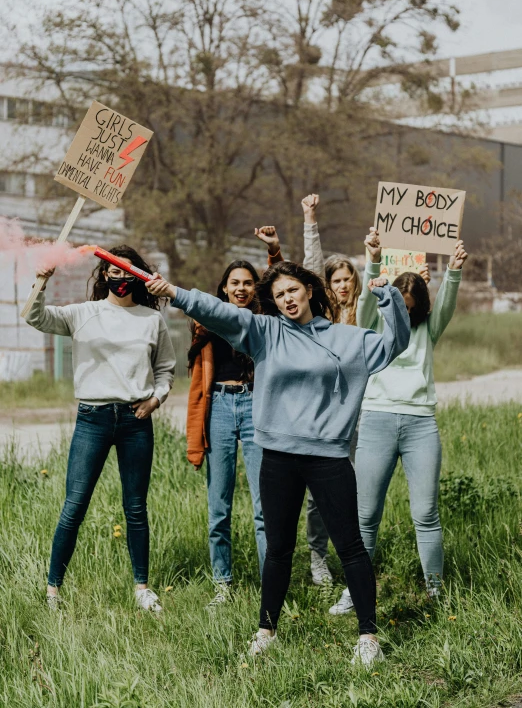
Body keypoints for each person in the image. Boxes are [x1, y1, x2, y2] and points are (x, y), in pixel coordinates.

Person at [146, 260, 410, 666]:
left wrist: (387, 296)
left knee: (351, 548)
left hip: (329, 457)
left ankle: (368, 636)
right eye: (279, 294)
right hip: (279, 457)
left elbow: (396, 343)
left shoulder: (348, 338)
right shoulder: (265, 332)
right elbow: (219, 312)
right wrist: (175, 293)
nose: (287, 299)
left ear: (309, 290)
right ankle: (266, 629)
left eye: (293, 290)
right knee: (279, 550)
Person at [25, 246, 176, 612]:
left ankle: (142, 589)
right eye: (114, 271)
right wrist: (42, 281)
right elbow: (34, 317)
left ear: (138, 275)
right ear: (103, 274)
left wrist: (155, 399)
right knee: (74, 506)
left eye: (128, 272)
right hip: (92, 419)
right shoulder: (83, 314)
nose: (121, 278)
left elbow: (166, 368)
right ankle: (52, 592)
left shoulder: (151, 320)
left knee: (136, 508)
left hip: (135, 422)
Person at [329, 228, 468, 615]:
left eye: (410, 308)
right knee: (366, 516)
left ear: (420, 307)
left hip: (421, 423)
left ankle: (435, 592)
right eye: (398, 306)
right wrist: (373, 256)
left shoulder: (429, 328)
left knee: (426, 513)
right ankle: (353, 593)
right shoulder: (375, 325)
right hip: (376, 421)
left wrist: (453, 270)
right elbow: (367, 305)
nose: (403, 314)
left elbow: (447, 303)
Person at [186, 227, 282, 606]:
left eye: (247, 283)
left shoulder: (264, 321)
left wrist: (273, 251)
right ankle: (222, 586)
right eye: (234, 283)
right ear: (224, 288)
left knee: (264, 507)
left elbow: (281, 283)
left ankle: (269, 587)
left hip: (256, 405)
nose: (241, 288)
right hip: (221, 408)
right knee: (219, 506)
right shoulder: (208, 323)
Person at [300, 193, 363, 587]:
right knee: (315, 493)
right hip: (320, 412)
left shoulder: (364, 315)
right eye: (335, 280)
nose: (341, 285)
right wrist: (310, 221)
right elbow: (309, 270)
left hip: (357, 413)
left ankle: (352, 552)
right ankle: (317, 556)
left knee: (352, 485)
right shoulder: (320, 314)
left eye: (346, 279)